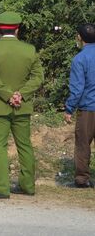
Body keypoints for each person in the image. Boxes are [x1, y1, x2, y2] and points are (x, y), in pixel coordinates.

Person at [0, 11, 43, 199]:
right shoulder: (29, 50)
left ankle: (1, 188)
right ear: (18, 28)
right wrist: (20, 95)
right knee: (24, 145)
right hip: (22, 106)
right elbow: (38, 77)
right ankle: (28, 186)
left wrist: (8, 95)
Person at [64, 23, 95, 189]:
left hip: (88, 109)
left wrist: (69, 108)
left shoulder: (79, 59)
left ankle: (82, 179)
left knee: (83, 144)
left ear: (80, 37)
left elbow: (77, 89)